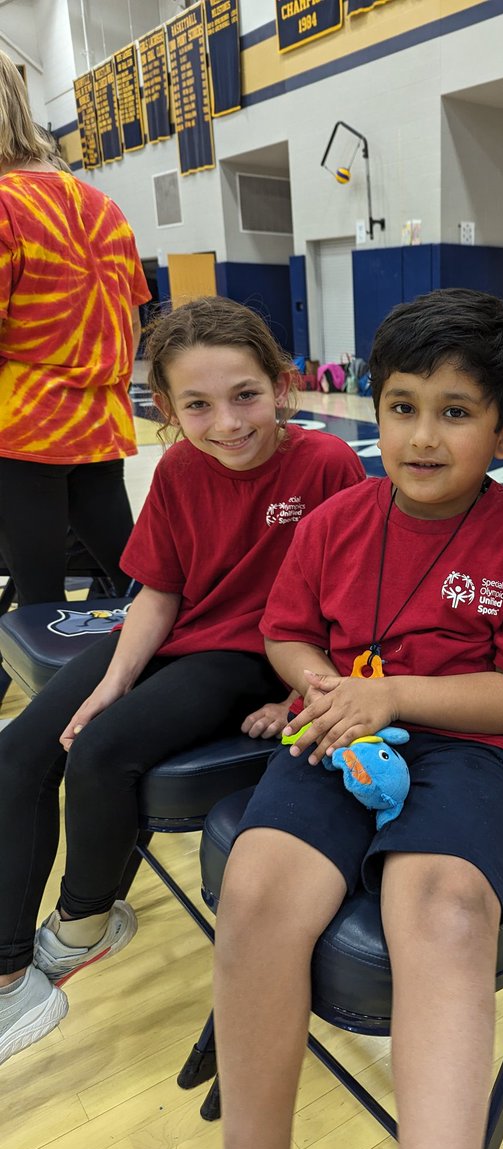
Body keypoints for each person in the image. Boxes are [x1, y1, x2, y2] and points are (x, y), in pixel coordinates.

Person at [212, 288, 503, 1149]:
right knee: (256, 892)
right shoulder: (336, 523)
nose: (422, 437)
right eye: (403, 408)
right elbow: (286, 635)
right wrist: (326, 689)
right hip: (344, 730)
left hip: (473, 749)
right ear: (374, 408)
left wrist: (394, 695)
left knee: (445, 910)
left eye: (455, 413)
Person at [0, 296, 365, 1067]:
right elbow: (159, 592)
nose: (227, 422)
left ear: (282, 385)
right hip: (174, 635)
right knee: (20, 750)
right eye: (198, 405)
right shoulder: (175, 468)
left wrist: (299, 693)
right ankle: (8, 973)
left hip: (252, 657)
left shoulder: (325, 464)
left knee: (98, 752)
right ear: (164, 408)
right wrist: (111, 678)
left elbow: (350, 602)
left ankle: (83, 924)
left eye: (245, 396)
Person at [0, 49, 150, 604]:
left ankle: (63, 694)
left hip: (23, 429)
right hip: (101, 425)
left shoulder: (3, 207)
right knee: (135, 585)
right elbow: (132, 326)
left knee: (39, 604)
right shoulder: (105, 205)